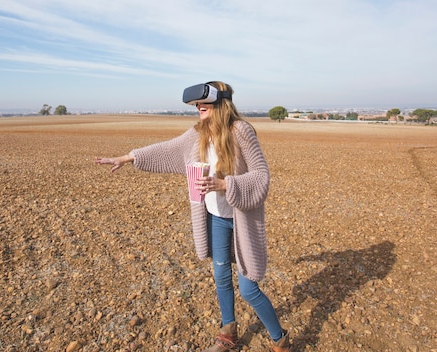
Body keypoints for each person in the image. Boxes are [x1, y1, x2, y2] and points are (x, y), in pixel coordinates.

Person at [95, 81, 292, 352]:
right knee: (221, 275)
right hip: (216, 218)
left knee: (248, 289)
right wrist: (128, 158)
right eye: (196, 104)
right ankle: (229, 332)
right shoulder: (198, 133)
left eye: (204, 102)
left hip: (242, 220)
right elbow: (166, 149)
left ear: (221, 102)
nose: (199, 107)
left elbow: (261, 175)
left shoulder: (241, 131)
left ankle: (280, 339)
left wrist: (226, 184)